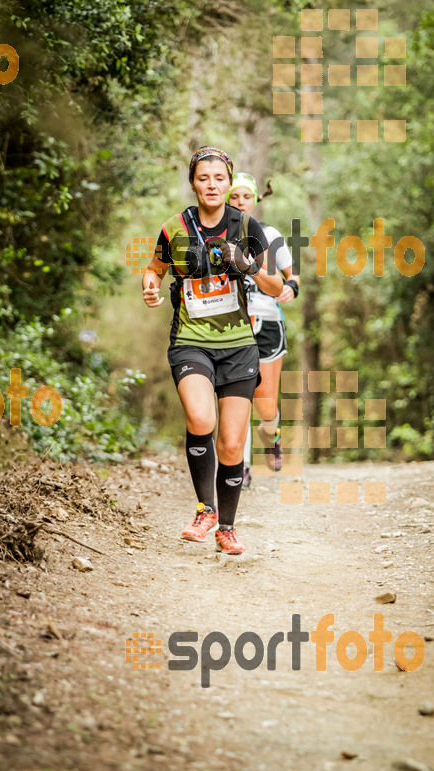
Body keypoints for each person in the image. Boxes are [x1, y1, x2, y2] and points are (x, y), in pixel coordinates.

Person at [142, 146, 283, 554]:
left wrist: (249, 264)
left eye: (219, 178)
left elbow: (276, 288)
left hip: (239, 346)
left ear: (229, 181)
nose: (212, 185)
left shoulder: (247, 226)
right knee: (200, 416)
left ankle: (226, 527)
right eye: (203, 178)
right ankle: (205, 509)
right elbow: (154, 268)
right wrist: (150, 286)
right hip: (190, 342)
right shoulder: (175, 228)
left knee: (232, 444)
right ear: (193, 183)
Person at [227, 173, 299, 487]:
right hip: (232, 323)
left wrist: (291, 289)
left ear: (256, 199)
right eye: (235, 197)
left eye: (246, 197)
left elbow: (292, 276)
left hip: (268, 322)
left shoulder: (270, 234)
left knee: (264, 401)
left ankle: (271, 435)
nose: (240, 202)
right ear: (227, 200)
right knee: (237, 396)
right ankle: (240, 466)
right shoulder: (218, 236)